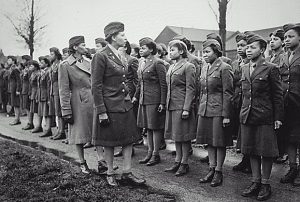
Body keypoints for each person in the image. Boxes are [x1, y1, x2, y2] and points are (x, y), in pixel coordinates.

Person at [91, 22, 145, 186]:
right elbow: (96, 85)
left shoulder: (120, 55)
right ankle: (110, 173)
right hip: (109, 106)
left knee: (128, 139)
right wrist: (101, 111)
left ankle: (127, 172)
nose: (125, 38)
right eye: (122, 35)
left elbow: (124, 80)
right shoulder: (100, 56)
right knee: (109, 142)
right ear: (113, 37)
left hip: (124, 104)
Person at [240, 34, 283, 201]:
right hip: (247, 115)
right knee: (251, 150)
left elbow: (277, 95)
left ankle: (265, 184)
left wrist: (278, 117)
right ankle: (255, 181)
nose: (248, 50)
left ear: (262, 50)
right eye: (247, 47)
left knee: (265, 151)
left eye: (253, 47)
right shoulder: (244, 67)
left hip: (265, 115)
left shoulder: (271, 68)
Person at [197, 39, 234, 187]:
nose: (204, 55)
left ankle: (219, 171)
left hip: (218, 110)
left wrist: (226, 115)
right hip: (205, 109)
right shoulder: (205, 67)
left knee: (219, 142)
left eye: (207, 52)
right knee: (209, 141)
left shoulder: (224, 68)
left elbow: (228, 93)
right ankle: (211, 168)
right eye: (203, 52)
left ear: (216, 52)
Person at [59, 36, 94, 173]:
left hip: (92, 99)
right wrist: (66, 110)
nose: (86, 47)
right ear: (75, 47)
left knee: (96, 130)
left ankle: (101, 161)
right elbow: (63, 89)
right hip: (77, 102)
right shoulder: (65, 65)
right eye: (83, 45)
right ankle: (82, 162)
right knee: (79, 133)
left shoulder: (89, 62)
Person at [132, 37, 167, 166]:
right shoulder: (142, 62)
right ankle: (150, 152)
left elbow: (163, 84)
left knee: (155, 128)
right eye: (140, 48)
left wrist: (162, 103)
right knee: (148, 128)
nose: (141, 50)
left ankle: (155, 154)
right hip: (143, 100)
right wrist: (136, 96)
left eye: (143, 48)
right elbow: (140, 82)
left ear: (151, 49)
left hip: (154, 100)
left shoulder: (158, 63)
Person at [164, 40, 196, 176]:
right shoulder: (171, 67)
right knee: (176, 136)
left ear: (181, 51)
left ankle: (184, 163)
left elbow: (191, 89)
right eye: (170, 50)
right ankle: (177, 161)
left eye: (173, 50)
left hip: (181, 105)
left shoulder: (188, 66)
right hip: (171, 105)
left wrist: (186, 108)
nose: (170, 52)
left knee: (183, 136)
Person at [279, 23, 300, 186]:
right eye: (285, 37)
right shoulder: (283, 56)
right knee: (289, 139)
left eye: (290, 36)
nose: (286, 40)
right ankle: (293, 168)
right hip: (286, 105)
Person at [231, 33, 252, 173]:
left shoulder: (251, 63)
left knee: (249, 131)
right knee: (241, 131)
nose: (240, 48)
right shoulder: (234, 63)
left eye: (243, 45)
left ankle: (250, 161)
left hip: (248, 100)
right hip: (237, 99)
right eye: (238, 45)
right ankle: (245, 159)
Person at [48, 47, 66, 140]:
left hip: (59, 90)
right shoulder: (53, 65)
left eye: (52, 54)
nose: (50, 56)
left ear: (56, 54)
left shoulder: (60, 64)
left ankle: (62, 131)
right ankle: (59, 131)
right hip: (54, 90)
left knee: (60, 111)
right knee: (57, 111)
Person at [36, 56, 53, 137]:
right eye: (39, 62)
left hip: (46, 95)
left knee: (47, 113)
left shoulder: (48, 72)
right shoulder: (42, 72)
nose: (40, 64)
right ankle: (46, 129)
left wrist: (49, 98)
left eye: (42, 63)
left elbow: (49, 85)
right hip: (41, 95)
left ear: (46, 64)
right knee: (43, 112)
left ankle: (48, 129)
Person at [7, 56, 22, 125]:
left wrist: (18, 90)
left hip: (15, 89)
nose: (8, 61)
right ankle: (17, 119)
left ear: (13, 61)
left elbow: (19, 80)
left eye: (9, 60)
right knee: (14, 104)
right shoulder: (11, 68)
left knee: (16, 104)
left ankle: (17, 119)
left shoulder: (15, 69)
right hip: (12, 89)